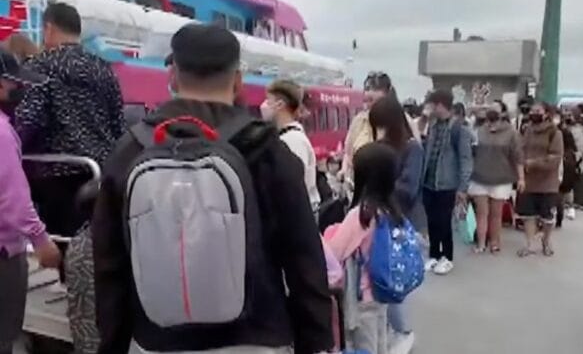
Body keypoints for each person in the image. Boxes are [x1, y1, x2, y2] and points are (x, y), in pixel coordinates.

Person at [92, 24, 333, 354]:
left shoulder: (131, 150)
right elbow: (305, 260)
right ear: (238, 81)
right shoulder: (269, 151)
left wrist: (113, 343)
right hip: (257, 339)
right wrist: (314, 341)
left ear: (173, 76)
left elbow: (109, 266)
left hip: (157, 342)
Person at [14, 2, 125, 282]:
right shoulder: (103, 68)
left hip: (57, 172)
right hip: (101, 170)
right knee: (95, 243)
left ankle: (72, 290)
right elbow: (118, 123)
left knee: (65, 244)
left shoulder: (41, 67)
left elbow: (27, 120)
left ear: (49, 29)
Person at [0, 50, 61, 354]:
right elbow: (12, 197)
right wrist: (41, 240)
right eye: (16, 84)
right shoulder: (2, 132)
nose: (20, 90)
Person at [324, 142, 405, 354]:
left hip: (361, 299)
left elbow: (333, 253)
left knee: (364, 348)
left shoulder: (361, 215)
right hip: (381, 293)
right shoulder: (390, 210)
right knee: (380, 346)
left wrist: (329, 233)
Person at [368, 96, 423, 354]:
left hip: (400, 220)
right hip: (378, 219)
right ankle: (391, 332)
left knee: (391, 279)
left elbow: (408, 189)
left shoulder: (412, 149)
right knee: (379, 279)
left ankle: (403, 332)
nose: (378, 131)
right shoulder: (381, 146)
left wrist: (380, 193)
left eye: (381, 124)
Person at [421, 89, 473, 275]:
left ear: (441, 105)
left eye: (433, 105)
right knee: (432, 221)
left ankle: (447, 257)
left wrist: (463, 188)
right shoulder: (433, 126)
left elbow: (466, 160)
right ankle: (434, 254)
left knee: (444, 222)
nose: (430, 109)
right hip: (429, 183)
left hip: (447, 184)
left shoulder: (459, 129)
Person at [260, 79, 322, 215]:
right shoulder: (287, 137)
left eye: (268, 100)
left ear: (279, 105)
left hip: (296, 214)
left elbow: (292, 186)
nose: (263, 106)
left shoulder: (293, 141)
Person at [342, 72, 418, 181]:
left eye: (375, 101)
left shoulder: (405, 122)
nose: (370, 105)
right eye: (367, 100)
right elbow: (348, 154)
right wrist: (344, 171)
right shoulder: (359, 121)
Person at [468, 106, 524, 253]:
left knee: (496, 214)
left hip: (501, 178)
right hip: (479, 176)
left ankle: (494, 243)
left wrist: (521, 178)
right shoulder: (479, 131)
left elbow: (518, 156)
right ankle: (481, 244)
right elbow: (471, 153)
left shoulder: (511, 133)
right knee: (481, 213)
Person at [516, 102, 564, 257]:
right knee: (528, 215)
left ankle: (546, 240)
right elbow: (521, 150)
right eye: (532, 110)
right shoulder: (527, 130)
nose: (534, 113)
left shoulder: (555, 133)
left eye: (538, 111)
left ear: (546, 114)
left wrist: (533, 163)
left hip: (548, 182)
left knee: (547, 217)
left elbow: (555, 157)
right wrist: (521, 167)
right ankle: (530, 244)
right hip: (528, 181)